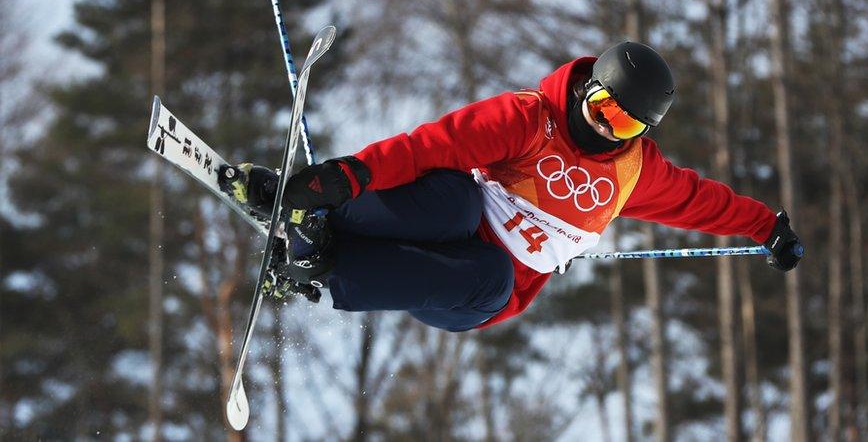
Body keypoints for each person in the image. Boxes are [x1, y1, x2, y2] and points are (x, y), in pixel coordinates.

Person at [219, 42, 803, 332]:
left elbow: (702, 201)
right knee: (458, 197)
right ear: (585, 90)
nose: (604, 124)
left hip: (474, 290)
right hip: (441, 220)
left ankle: (320, 267)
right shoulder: (530, 119)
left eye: (623, 122)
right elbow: (432, 146)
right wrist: (348, 175)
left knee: (493, 276)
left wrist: (767, 227)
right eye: (601, 105)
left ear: (641, 131)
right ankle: (312, 213)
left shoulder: (634, 174)